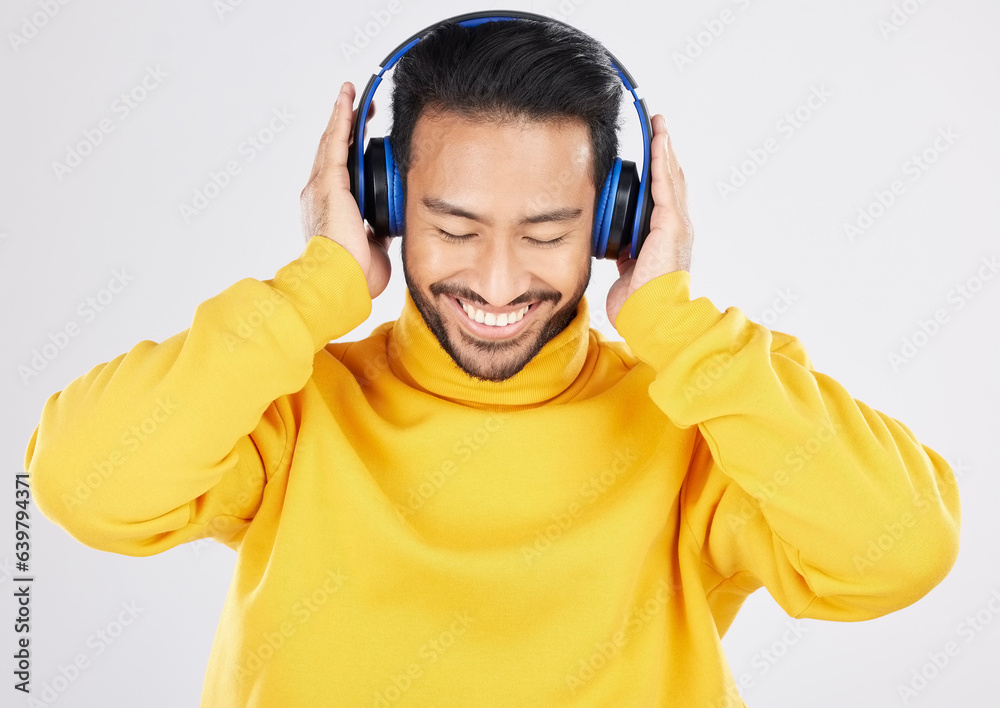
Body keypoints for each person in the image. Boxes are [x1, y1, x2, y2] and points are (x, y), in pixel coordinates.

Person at [25, 13, 960, 708]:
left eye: (548, 232)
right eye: (454, 227)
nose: (500, 281)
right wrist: (316, 284)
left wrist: (675, 320)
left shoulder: (701, 416)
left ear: (615, 222)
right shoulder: (297, 405)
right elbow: (81, 481)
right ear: (381, 205)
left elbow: (901, 551)